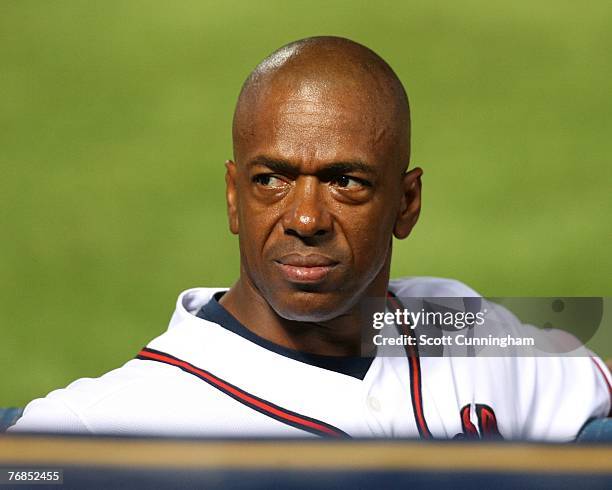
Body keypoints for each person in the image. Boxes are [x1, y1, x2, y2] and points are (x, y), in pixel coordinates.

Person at [9, 36, 611, 440]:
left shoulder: (454, 319)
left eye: (344, 182)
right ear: (232, 198)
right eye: (270, 179)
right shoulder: (111, 422)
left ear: (407, 203)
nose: (304, 218)